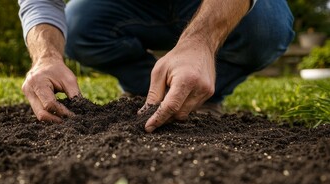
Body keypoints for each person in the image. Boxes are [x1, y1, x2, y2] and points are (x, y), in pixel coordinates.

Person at [18, 0, 294, 133]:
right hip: (130, 7)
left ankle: (202, 92)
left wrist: (201, 40)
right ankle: (151, 91)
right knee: (78, 25)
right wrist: (46, 57)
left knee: (267, 27)